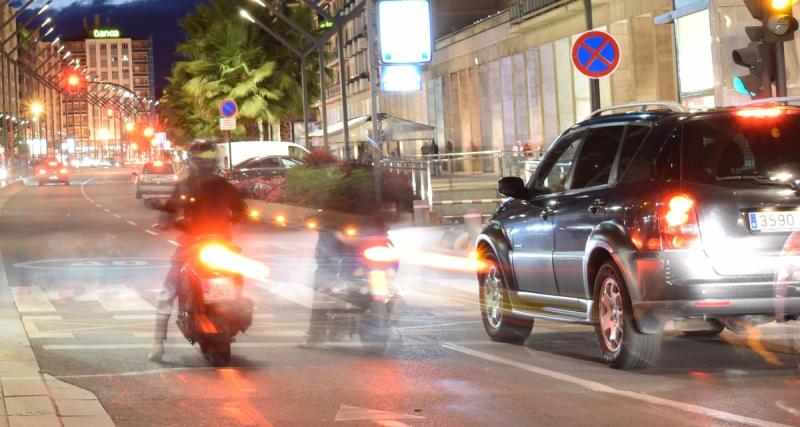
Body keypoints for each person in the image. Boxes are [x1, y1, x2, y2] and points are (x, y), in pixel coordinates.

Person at [148, 142, 248, 362]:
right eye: (201, 160)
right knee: (170, 288)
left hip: (221, 244)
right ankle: (158, 342)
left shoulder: (222, 186)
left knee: (239, 274)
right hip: (194, 244)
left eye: (206, 160)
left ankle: (238, 309)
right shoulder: (187, 187)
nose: (204, 164)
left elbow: (242, 211)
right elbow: (171, 210)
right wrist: (165, 219)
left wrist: (238, 217)